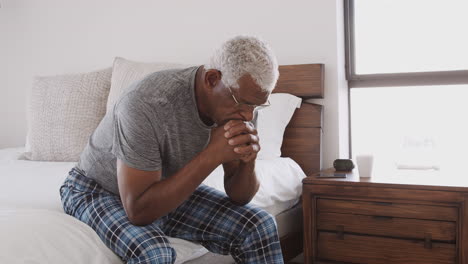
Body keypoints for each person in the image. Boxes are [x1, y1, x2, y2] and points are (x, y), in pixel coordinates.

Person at [59, 35, 283, 264]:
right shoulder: (147, 103)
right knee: (155, 254)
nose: (247, 115)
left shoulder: (242, 105)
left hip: (161, 187)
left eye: (256, 106)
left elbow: (240, 196)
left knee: (258, 226)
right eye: (242, 103)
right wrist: (212, 154)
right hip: (96, 189)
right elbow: (138, 211)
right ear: (212, 79)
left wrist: (248, 161)